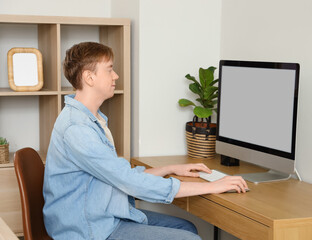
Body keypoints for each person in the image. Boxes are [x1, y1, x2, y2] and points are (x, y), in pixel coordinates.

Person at [43, 42, 248, 240]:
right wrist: (212, 187)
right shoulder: (77, 129)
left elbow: (119, 174)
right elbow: (129, 181)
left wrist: (171, 168)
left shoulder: (92, 119)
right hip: (89, 229)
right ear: (89, 77)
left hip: (100, 213)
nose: (116, 76)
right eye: (109, 69)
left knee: (187, 227)